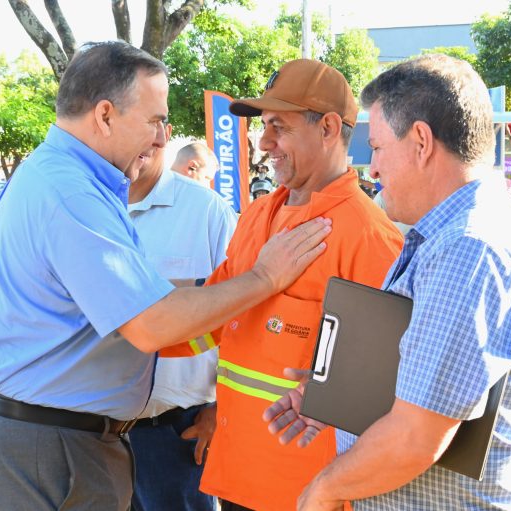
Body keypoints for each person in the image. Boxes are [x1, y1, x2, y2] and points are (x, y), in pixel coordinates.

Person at [0, 41, 331, 511]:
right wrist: (264, 278)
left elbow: (138, 296)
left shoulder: (67, 179)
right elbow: (151, 323)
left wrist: (225, 291)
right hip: (55, 444)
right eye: (155, 120)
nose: (162, 138)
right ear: (104, 115)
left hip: (62, 437)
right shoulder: (72, 193)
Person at [265, 54, 511, 510]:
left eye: (378, 148)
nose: (373, 169)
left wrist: (323, 490)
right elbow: (433, 384)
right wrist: (346, 393)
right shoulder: (450, 234)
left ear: (421, 141)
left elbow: (416, 437)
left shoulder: (468, 246)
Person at [163, 58, 403, 511]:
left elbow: (384, 390)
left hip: (307, 491)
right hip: (236, 475)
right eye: (263, 126)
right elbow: (211, 320)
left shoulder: (369, 237)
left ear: (329, 127)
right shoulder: (257, 214)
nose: (263, 142)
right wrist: (128, 326)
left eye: (278, 126)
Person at [126, 127, 237, 511]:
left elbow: (243, 315)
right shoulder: (87, 206)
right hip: (93, 437)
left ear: (162, 133)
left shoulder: (207, 211)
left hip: (176, 433)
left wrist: (220, 412)